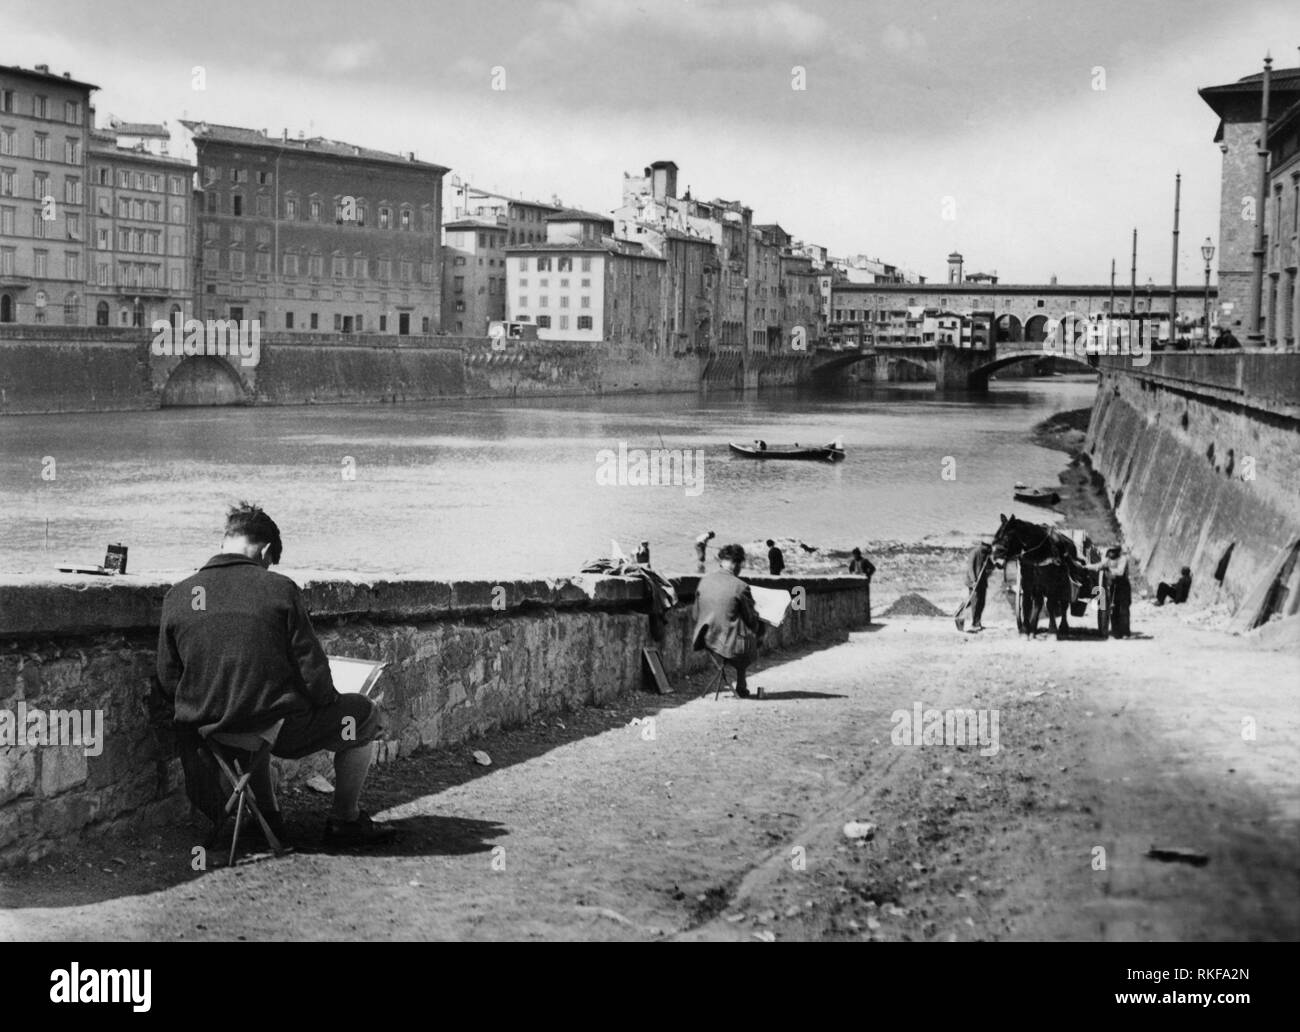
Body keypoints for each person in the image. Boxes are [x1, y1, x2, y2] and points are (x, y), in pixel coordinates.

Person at [157, 502, 394, 846]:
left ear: (225, 542)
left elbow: (168, 680)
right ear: (266, 550)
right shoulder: (279, 589)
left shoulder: (178, 595)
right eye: (270, 561)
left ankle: (267, 817)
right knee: (364, 716)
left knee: (259, 708)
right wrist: (329, 702)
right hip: (270, 731)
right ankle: (346, 818)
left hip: (209, 734)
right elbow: (312, 671)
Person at [693, 543, 764, 699]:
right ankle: (741, 683)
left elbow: (694, 614)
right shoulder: (741, 586)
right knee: (755, 631)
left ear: (721, 561)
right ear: (737, 564)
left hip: (705, 640)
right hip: (728, 645)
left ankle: (741, 683)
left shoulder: (704, 581)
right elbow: (751, 620)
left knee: (735, 630)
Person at [1088, 545, 1132, 637]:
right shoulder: (1108, 559)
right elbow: (1098, 565)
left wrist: (1108, 568)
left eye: (1112, 551)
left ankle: (1125, 632)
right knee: (1114, 609)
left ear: (1117, 551)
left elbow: (1120, 572)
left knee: (1123, 610)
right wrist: (1085, 566)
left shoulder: (1123, 559)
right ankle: (1116, 632)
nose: (1110, 553)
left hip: (1123, 587)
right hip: (1113, 586)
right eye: (1110, 551)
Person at [964, 541, 993, 631]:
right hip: (974, 583)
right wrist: (973, 580)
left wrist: (994, 565)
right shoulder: (974, 552)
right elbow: (970, 568)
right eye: (989, 548)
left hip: (982, 582)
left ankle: (978, 622)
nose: (990, 550)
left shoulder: (986, 554)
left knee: (981, 603)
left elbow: (990, 566)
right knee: (975, 603)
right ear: (984, 546)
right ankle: (974, 623)